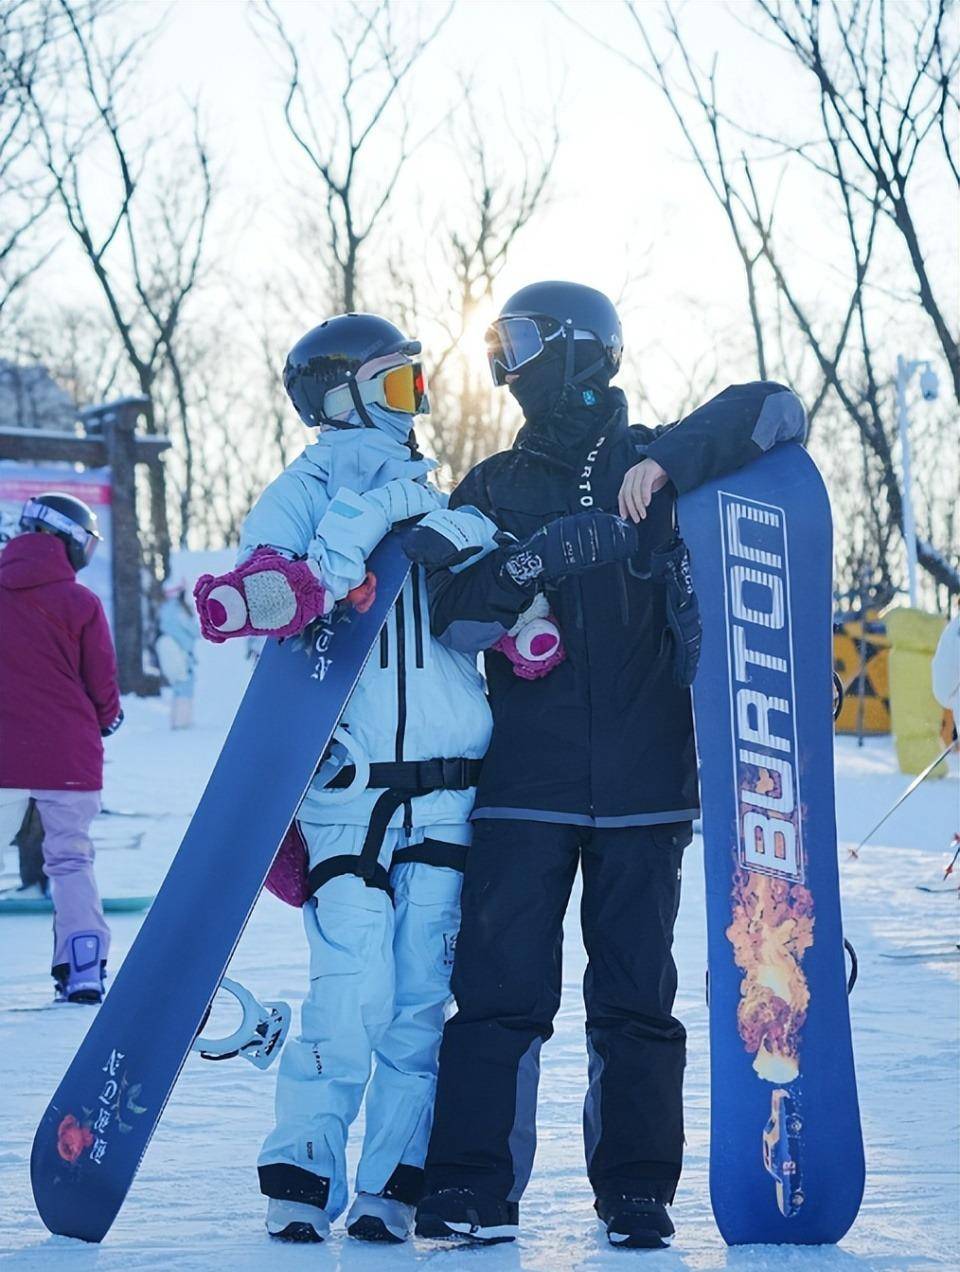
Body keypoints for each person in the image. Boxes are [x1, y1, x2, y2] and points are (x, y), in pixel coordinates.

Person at [403, 281, 807, 1249]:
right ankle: (470, 1189)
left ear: (584, 349)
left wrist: (668, 464)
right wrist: (532, 563)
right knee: (500, 994)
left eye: (524, 338)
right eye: (497, 341)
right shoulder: (492, 486)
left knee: (634, 1002)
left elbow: (775, 405)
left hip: (645, 788)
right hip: (523, 792)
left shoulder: (660, 464)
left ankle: (635, 1192)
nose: (505, 359)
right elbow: (454, 619)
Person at [193, 313, 492, 1245]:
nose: (416, 404)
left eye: (417, 385)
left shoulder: (436, 495)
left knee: (416, 998)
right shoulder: (305, 487)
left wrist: (508, 600)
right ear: (339, 396)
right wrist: (291, 580)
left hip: (447, 786)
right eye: (396, 385)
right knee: (351, 984)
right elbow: (271, 579)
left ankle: (393, 1184)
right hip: (351, 789)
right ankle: (302, 1173)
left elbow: (478, 608)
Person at [0, 492, 123, 1002]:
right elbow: (103, 684)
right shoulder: (80, 603)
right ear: (70, 540)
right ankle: (84, 968)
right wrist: (107, 718)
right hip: (66, 757)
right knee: (71, 861)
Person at [156, 578, 199, 728]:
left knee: (178, 687)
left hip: (174, 651)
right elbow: (194, 630)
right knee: (185, 685)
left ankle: (177, 720)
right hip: (182, 653)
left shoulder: (164, 608)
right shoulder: (177, 610)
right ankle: (183, 721)